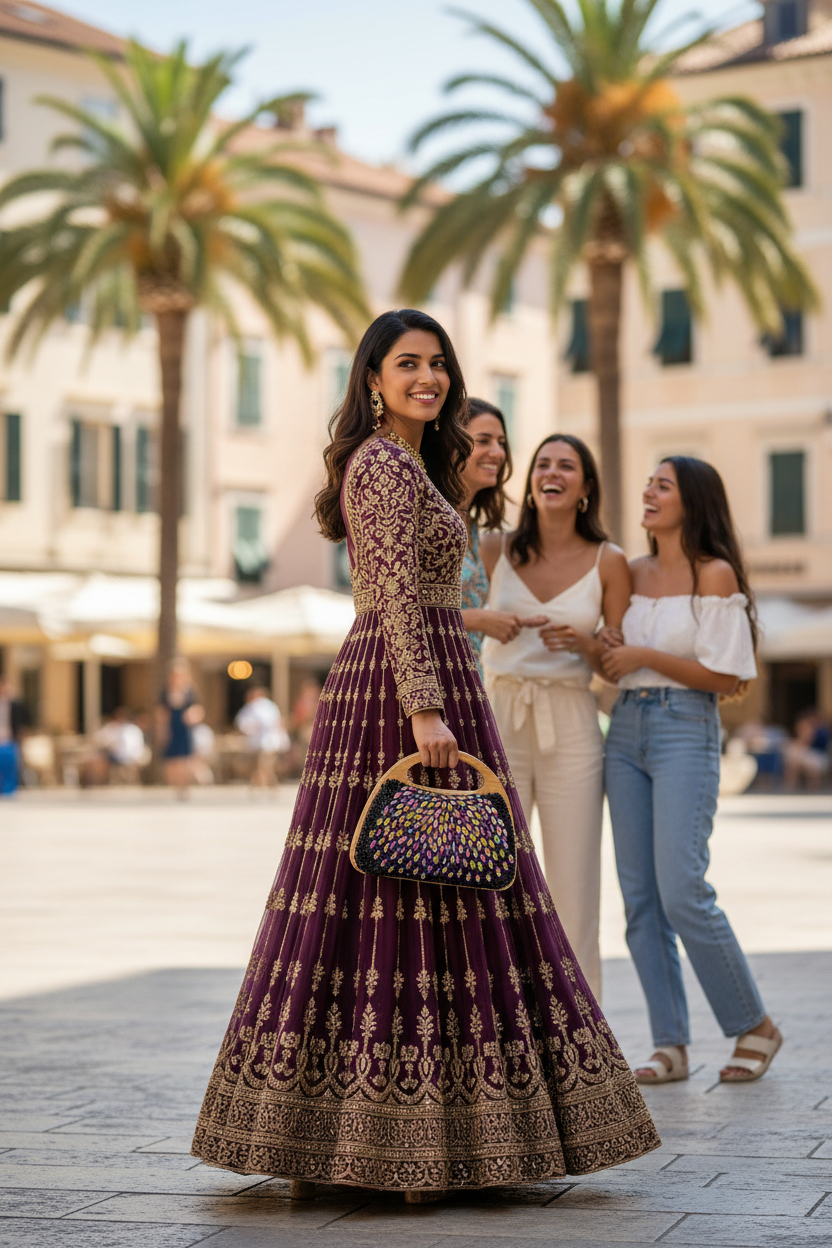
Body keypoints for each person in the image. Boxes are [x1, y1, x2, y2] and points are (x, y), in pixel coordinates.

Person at [191, 309, 659, 1199]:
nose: (428, 378)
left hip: (431, 674)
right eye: (408, 364)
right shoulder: (377, 463)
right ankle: (380, 1143)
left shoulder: (413, 463)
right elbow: (400, 593)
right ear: (372, 377)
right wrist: (424, 711)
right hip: (402, 691)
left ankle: (435, 1135)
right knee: (384, 898)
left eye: (438, 364)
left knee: (446, 892)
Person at [601, 456, 782, 1085]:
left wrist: (642, 655)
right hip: (624, 729)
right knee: (640, 900)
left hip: (685, 726)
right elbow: (613, 661)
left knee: (683, 890)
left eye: (663, 485)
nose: (648, 492)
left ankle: (754, 1024)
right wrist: (593, 651)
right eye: (648, 483)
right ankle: (669, 1044)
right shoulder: (627, 569)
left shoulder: (714, 572)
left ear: (692, 501)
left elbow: (727, 676)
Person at [480, 435, 631, 1000]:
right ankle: (501, 1021)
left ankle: (583, 1032)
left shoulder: (609, 562)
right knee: (497, 878)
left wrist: (587, 644)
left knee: (574, 884)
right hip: (499, 714)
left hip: (571, 720)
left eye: (566, 466)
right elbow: (444, 615)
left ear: (585, 488)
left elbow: (616, 668)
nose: (552, 472)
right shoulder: (494, 549)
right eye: (543, 463)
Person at [458, 399, 528, 673]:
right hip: (425, 687)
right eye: (484, 441)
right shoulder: (425, 516)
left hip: (470, 680)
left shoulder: (472, 526)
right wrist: (477, 619)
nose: (497, 452)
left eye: (502, 443)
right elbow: (397, 617)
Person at [156, 657, 204, 795]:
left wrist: (192, 715)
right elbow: (161, 712)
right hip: (172, 727)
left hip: (185, 728)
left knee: (185, 759)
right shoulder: (166, 692)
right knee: (172, 759)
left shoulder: (190, 692)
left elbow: (198, 709)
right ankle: (175, 787)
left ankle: (184, 787)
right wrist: (162, 729)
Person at [235, 685, 290, 787]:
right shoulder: (262, 707)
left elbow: (264, 723)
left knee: (264, 765)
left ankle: (263, 784)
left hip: (267, 742)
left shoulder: (262, 706)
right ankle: (264, 784)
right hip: (260, 743)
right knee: (263, 766)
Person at [94, 707, 148, 783]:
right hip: (134, 756)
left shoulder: (123, 729)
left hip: (126, 756)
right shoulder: (133, 728)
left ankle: (102, 781)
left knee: (102, 757)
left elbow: (114, 745)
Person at [784, 709, 830, 790]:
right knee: (794, 762)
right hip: (810, 756)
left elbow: (806, 742)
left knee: (796, 761)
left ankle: (794, 788)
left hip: (819, 758)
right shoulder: (815, 729)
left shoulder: (821, 730)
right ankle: (790, 788)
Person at [0, 674, 29, 796]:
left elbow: (24, 722)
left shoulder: (15, 705)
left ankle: (10, 791)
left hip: (10, 740)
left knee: (10, 767)